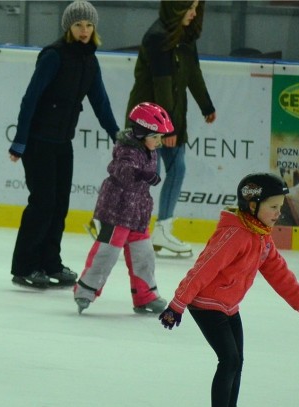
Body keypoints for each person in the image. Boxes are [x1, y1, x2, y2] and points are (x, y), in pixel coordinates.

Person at [158, 172, 299, 407]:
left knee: (238, 361)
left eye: (280, 206)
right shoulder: (234, 235)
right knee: (230, 359)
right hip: (206, 304)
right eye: (273, 207)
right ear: (252, 205)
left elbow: (281, 276)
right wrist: (177, 304)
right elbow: (203, 268)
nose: (279, 212)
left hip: (228, 305)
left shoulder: (260, 237)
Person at [8, 0, 119, 290]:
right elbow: (30, 98)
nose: (84, 30)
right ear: (69, 27)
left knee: (59, 206)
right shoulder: (54, 56)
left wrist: (117, 135)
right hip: (38, 142)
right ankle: (25, 265)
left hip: (62, 142)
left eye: (89, 24)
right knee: (42, 204)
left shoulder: (89, 61)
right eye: (78, 24)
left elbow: (101, 102)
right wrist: (20, 141)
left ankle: (50, 262)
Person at [127, 0, 216, 256]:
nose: (194, 13)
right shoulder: (158, 37)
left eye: (197, 8)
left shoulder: (184, 35)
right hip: (149, 119)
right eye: (189, 7)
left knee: (177, 168)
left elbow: (193, 73)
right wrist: (166, 129)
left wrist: (206, 105)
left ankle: (163, 228)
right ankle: (122, 226)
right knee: (146, 174)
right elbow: (161, 85)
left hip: (171, 115)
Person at [74, 102, 173, 315]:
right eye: (155, 136)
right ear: (140, 132)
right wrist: (140, 173)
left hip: (137, 213)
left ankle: (146, 296)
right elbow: (121, 169)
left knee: (144, 255)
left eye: (160, 137)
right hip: (116, 211)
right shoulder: (126, 149)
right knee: (107, 252)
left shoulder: (150, 150)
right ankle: (85, 290)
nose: (159, 142)